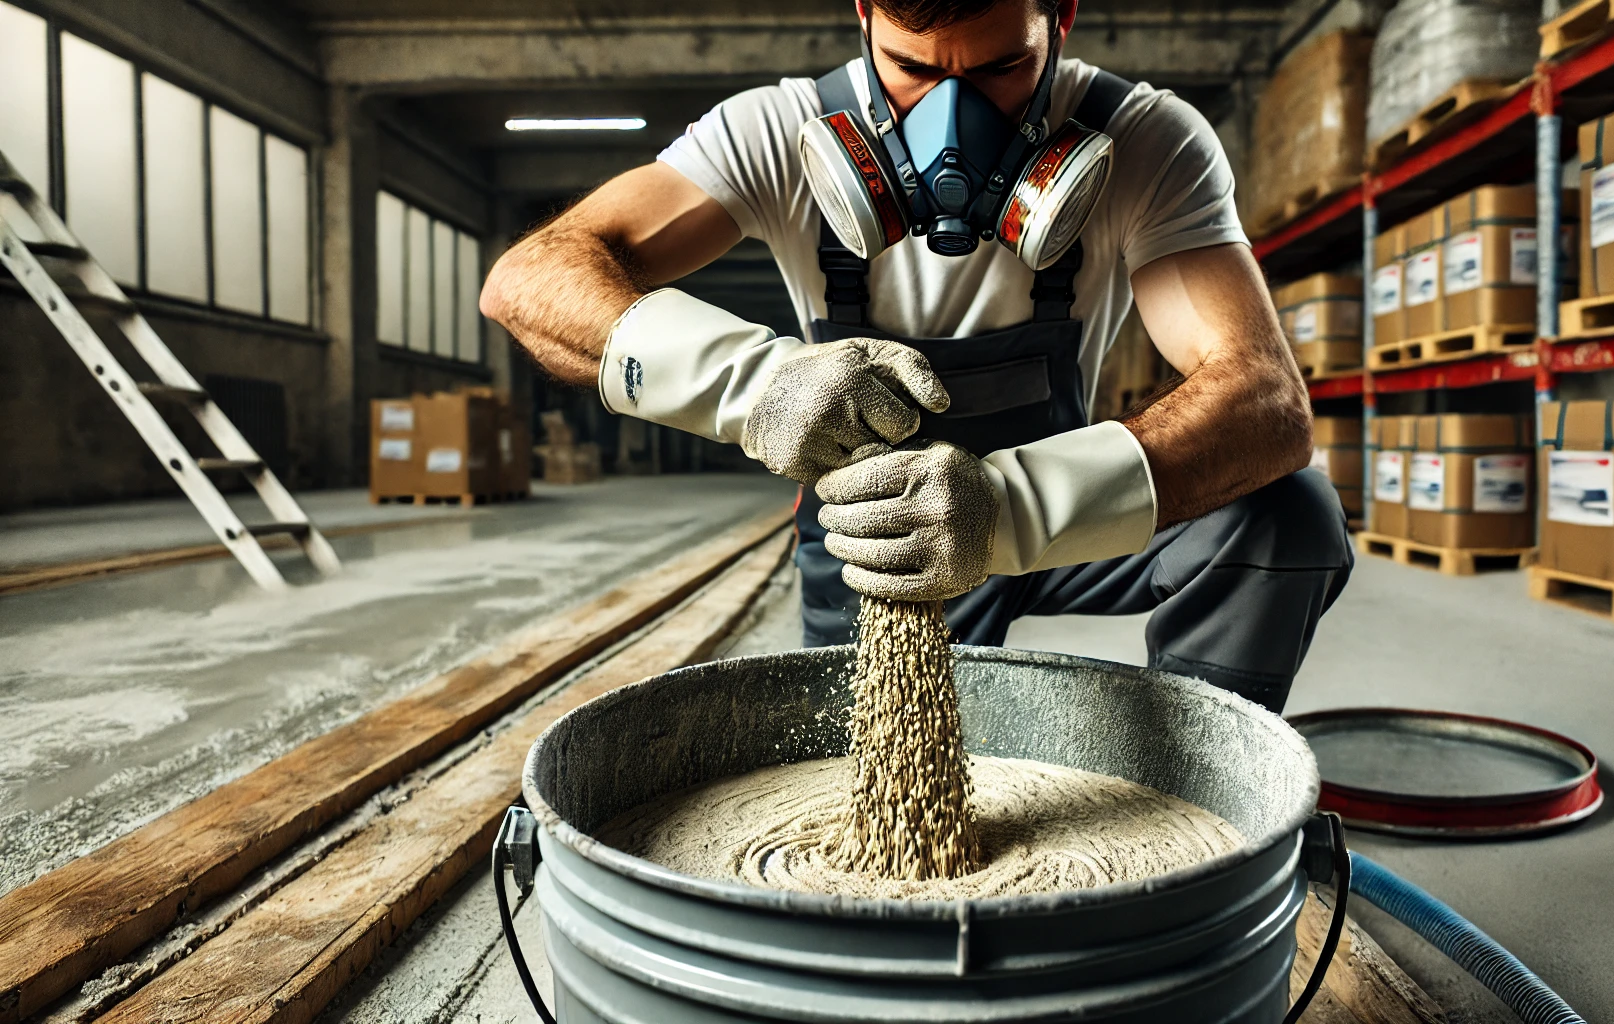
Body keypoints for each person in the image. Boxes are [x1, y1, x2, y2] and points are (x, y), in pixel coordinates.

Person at [481, 0, 1352, 712]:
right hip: (873, 533)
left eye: (1002, 70)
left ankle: (1198, 779)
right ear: (863, 17)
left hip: (1056, 510)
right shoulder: (774, 131)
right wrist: (761, 383)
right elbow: (528, 283)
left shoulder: (1147, 141)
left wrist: (1007, 511)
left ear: (1062, 20)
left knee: (1290, 516)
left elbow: (1265, 401)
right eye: (914, 70)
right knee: (875, 790)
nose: (953, 120)